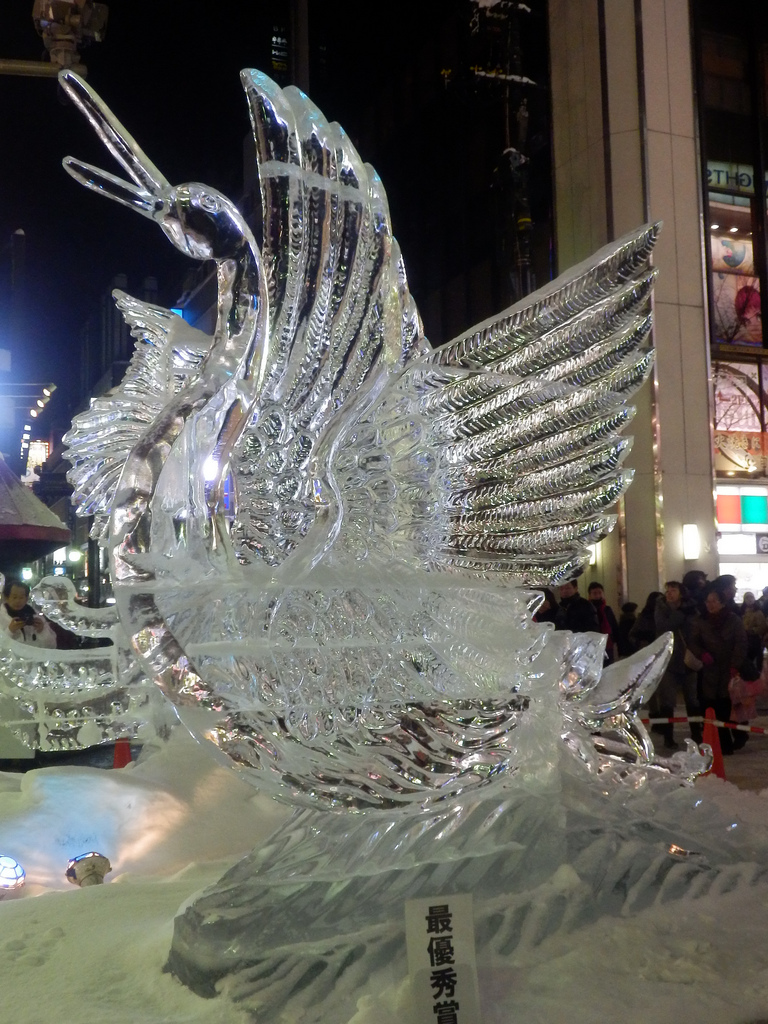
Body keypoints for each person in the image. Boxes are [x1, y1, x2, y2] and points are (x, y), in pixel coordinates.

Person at [688, 584, 748, 755]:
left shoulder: (733, 620)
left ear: (722, 603)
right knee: (713, 706)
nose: (710, 604)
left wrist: (735, 665)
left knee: (731, 705)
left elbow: (741, 643)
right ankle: (722, 743)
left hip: (729, 667)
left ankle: (739, 735)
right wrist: (702, 653)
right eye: (708, 601)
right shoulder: (701, 621)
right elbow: (693, 641)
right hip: (710, 670)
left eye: (714, 601)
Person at [652, 581, 700, 747]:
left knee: (692, 699)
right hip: (669, 660)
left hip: (687, 658)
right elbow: (664, 626)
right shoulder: (661, 608)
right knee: (668, 700)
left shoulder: (691, 608)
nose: (670, 594)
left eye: (673, 590)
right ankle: (668, 737)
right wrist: (680, 614)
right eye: (668, 591)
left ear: (681, 592)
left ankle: (696, 733)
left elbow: (694, 629)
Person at [0, 579, 57, 649]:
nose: (18, 601)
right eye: (14, 597)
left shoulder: (36, 616)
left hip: (33, 659)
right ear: (6, 598)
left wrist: (42, 631)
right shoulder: (1, 617)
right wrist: (10, 631)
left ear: (26, 599)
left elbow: (52, 646)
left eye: (21, 597)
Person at [587, 581, 619, 664]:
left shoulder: (607, 609)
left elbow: (613, 625)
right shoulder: (587, 609)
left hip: (608, 644)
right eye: (594, 593)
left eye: (599, 593)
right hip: (593, 645)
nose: (597, 596)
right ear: (590, 595)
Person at [740, 591, 767, 672]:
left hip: (754, 640)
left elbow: (762, 627)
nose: (749, 600)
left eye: (751, 597)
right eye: (747, 598)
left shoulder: (758, 612)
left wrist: (751, 631)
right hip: (744, 639)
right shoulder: (742, 612)